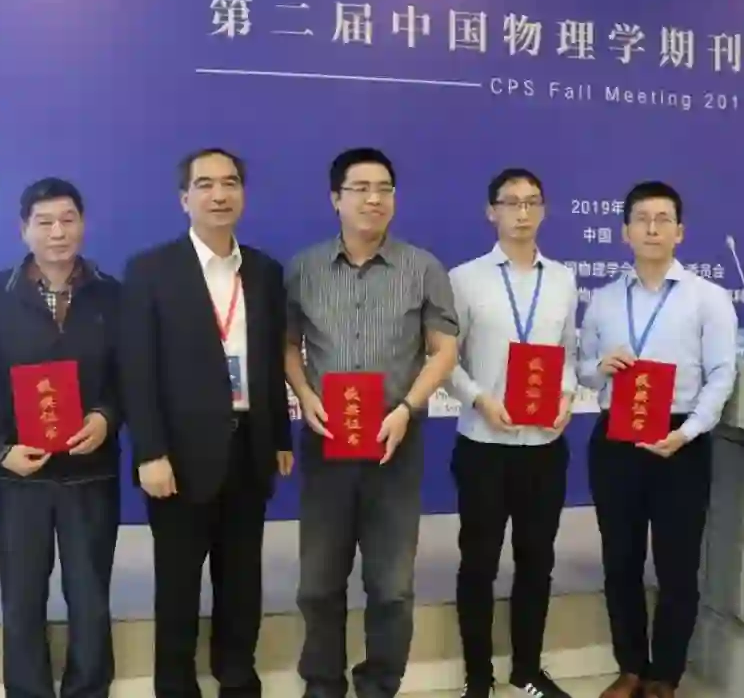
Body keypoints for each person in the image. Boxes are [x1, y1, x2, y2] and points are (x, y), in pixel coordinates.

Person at [285, 148, 459, 698]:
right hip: (326, 442)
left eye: (383, 188)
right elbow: (287, 345)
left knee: (391, 586)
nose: (373, 199)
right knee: (318, 583)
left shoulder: (422, 267)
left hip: (394, 443)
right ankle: (323, 685)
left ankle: (380, 685)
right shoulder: (304, 268)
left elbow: (444, 349)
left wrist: (407, 409)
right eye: (359, 188)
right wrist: (304, 395)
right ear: (335, 199)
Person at [120, 148, 293, 698]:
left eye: (230, 183)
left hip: (249, 451)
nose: (219, 195)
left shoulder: (264, 271)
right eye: (206, 184)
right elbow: (137, 369)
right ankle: (176, 687)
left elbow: (268, 361)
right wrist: (150, 451)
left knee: (242, 583)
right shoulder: (151, 270)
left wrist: (280, 437)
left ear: (243, 193)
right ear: (184, 199)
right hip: (178, 457)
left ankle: (237, 681)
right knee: (177, 587)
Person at [0, 177, 122, 698]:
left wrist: (106, 417)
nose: (58, 232)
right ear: (24, 229)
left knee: (90, 597)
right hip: (19, 475)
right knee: (22, 599)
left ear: (83, 224)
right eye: (45, 222)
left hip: (90, 473)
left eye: (68, 220)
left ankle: (88, 690)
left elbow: (128, 375)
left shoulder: (111, 294)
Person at [579, 181, 738, 698]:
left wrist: (687, 433)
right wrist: (599, 367)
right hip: (616, 441)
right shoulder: (604, 299)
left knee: (677, 566)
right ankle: (630, 667)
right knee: (620, 561)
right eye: (641, 219)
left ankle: (665, 676)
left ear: (680, 232)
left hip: (680, 441)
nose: (652, 228)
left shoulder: (708, 298)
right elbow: (582, 370)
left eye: (663, 219)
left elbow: (721, 374)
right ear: (625, 232)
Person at [445, 168, 578, 698]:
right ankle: (478, 677)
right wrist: (481, 398)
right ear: (491, 211)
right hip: (484, 445)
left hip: (544, 448)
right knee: (478, 564)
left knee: (536, 561)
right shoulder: (464, 279)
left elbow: (568, 354)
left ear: (543, 210)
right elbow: (446, 360)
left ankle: (527, 670)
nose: (523, 213)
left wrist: (566, 396)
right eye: (511, 202)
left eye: (532, 202)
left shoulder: (563, 279)